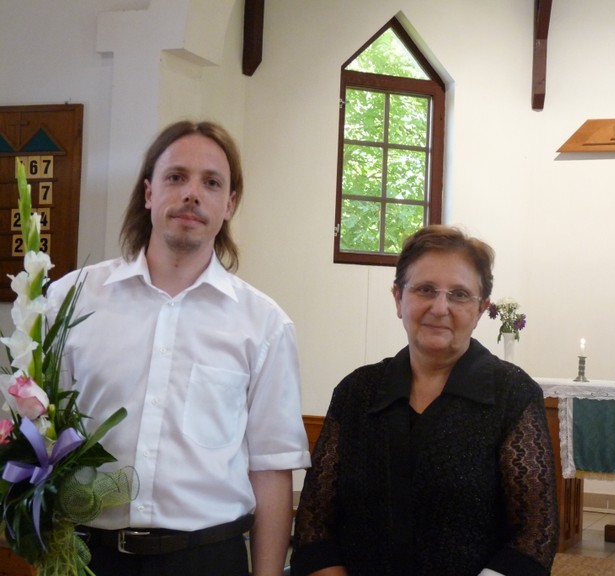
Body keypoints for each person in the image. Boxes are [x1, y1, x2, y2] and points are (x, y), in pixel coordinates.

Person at [46, 120, 310, 576]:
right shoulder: (72, 300)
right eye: (176, 177)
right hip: (87, 557)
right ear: (149, 192)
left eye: (211, 183)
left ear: (229, 204)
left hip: (207, 558)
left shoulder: (264, 325)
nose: (192, 194)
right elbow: (42, 440)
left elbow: (270, 471)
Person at [290, 225, 559, 576]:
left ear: (481, 309)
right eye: (425, 289)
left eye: (459, 294)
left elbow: (534, 536)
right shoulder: (357, 392)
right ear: (398, 298)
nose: (440, 307)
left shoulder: (512, 395)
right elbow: (313, 526)